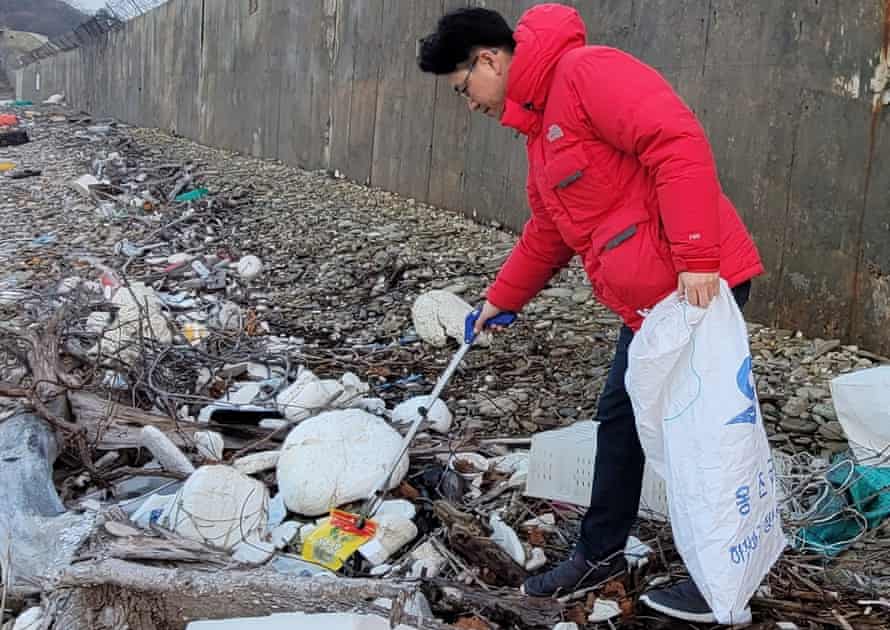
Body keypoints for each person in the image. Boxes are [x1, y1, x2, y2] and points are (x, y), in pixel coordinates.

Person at [418, 3, 764, 625]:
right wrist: (500, 300)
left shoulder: (586, 74)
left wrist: (695, 256)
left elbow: (675, 140)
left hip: (697, 291)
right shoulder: (539, 133)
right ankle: (602, 553)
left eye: (463, 87)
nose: (469, 104)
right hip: (653, 307)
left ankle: (721, 582)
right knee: (623, 416)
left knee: (700, 434)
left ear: (489, 60)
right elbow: (547, 233)